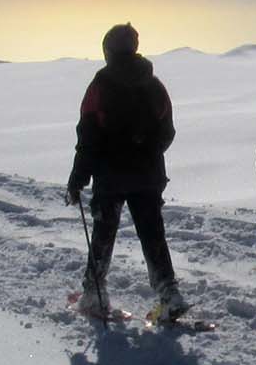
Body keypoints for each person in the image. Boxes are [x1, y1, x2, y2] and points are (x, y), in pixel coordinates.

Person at [67, 24, 189, 323]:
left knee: (103, 233)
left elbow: (88, 136)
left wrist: (78, 177)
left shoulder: (100, 85)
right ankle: (169, 294)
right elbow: (167, 131)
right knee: (152, 234)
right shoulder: (153, 84)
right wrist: (146, 153)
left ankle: (94, 295)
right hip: (148, 175)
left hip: (109, 175)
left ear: (108, 50)